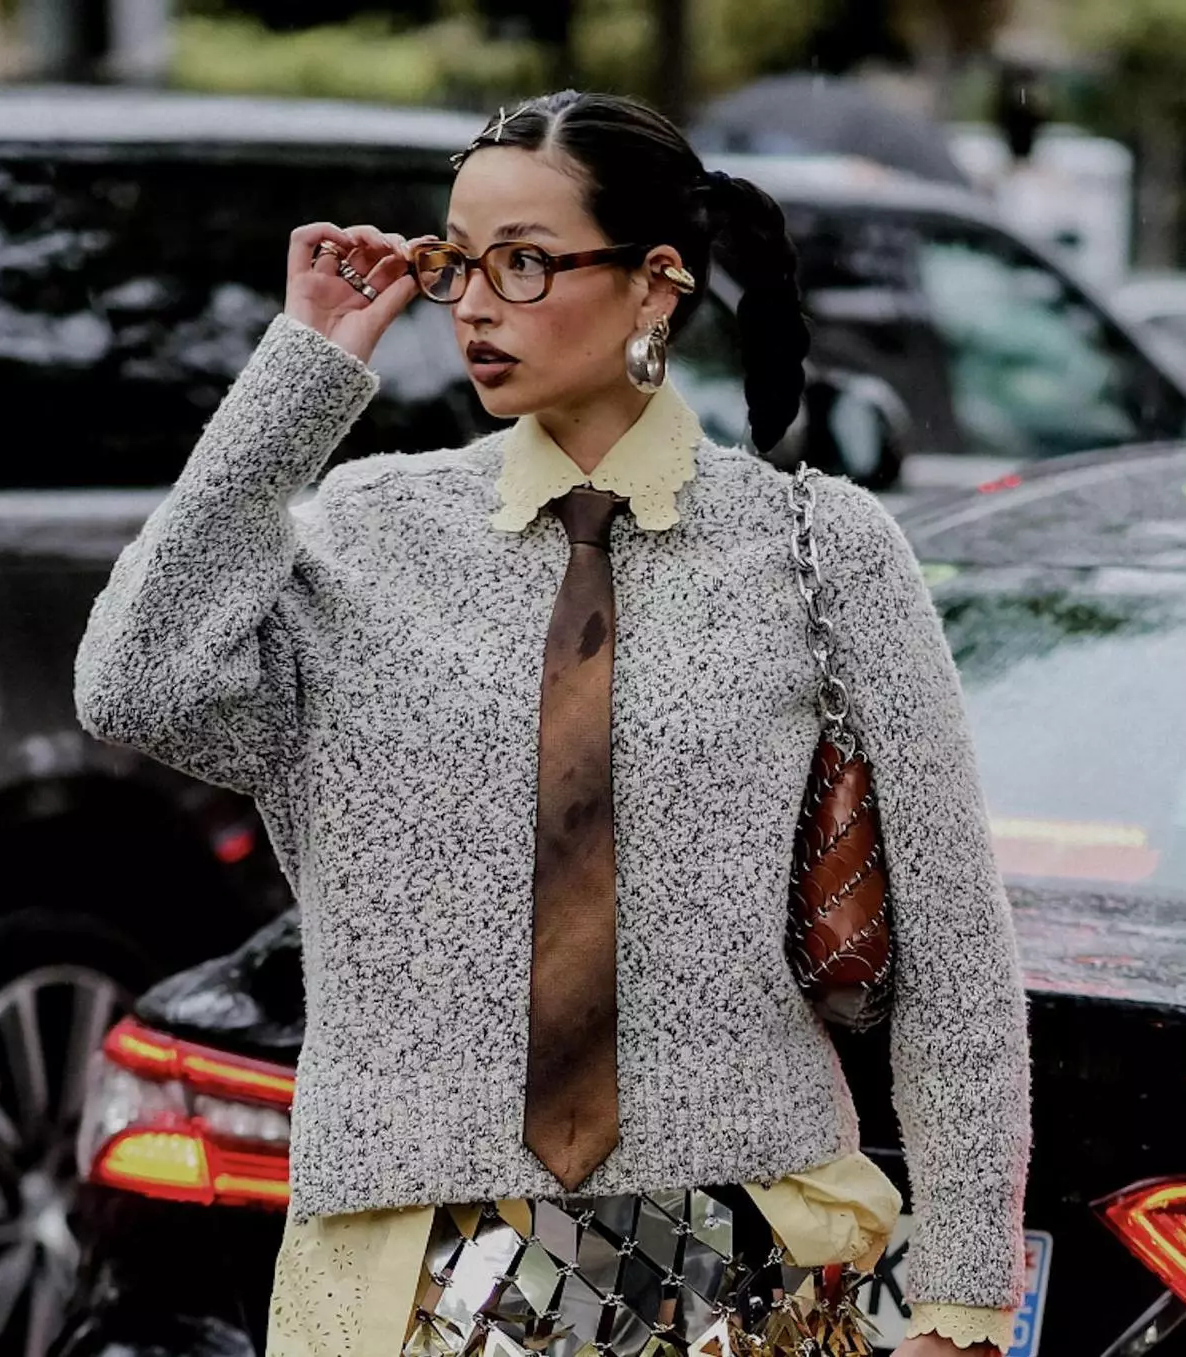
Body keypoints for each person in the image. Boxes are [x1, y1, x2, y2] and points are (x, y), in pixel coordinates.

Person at [74, 90, 1030, 1357]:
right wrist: (299, 377)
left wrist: (960, 1301)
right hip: (405, 1273)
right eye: (456, 262)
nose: (473, 304)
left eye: (522, 262)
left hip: (740, 1261)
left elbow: (955, 949)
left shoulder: (821, 547)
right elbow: (134, 686)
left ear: (655, 285)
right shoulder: (365, 531)